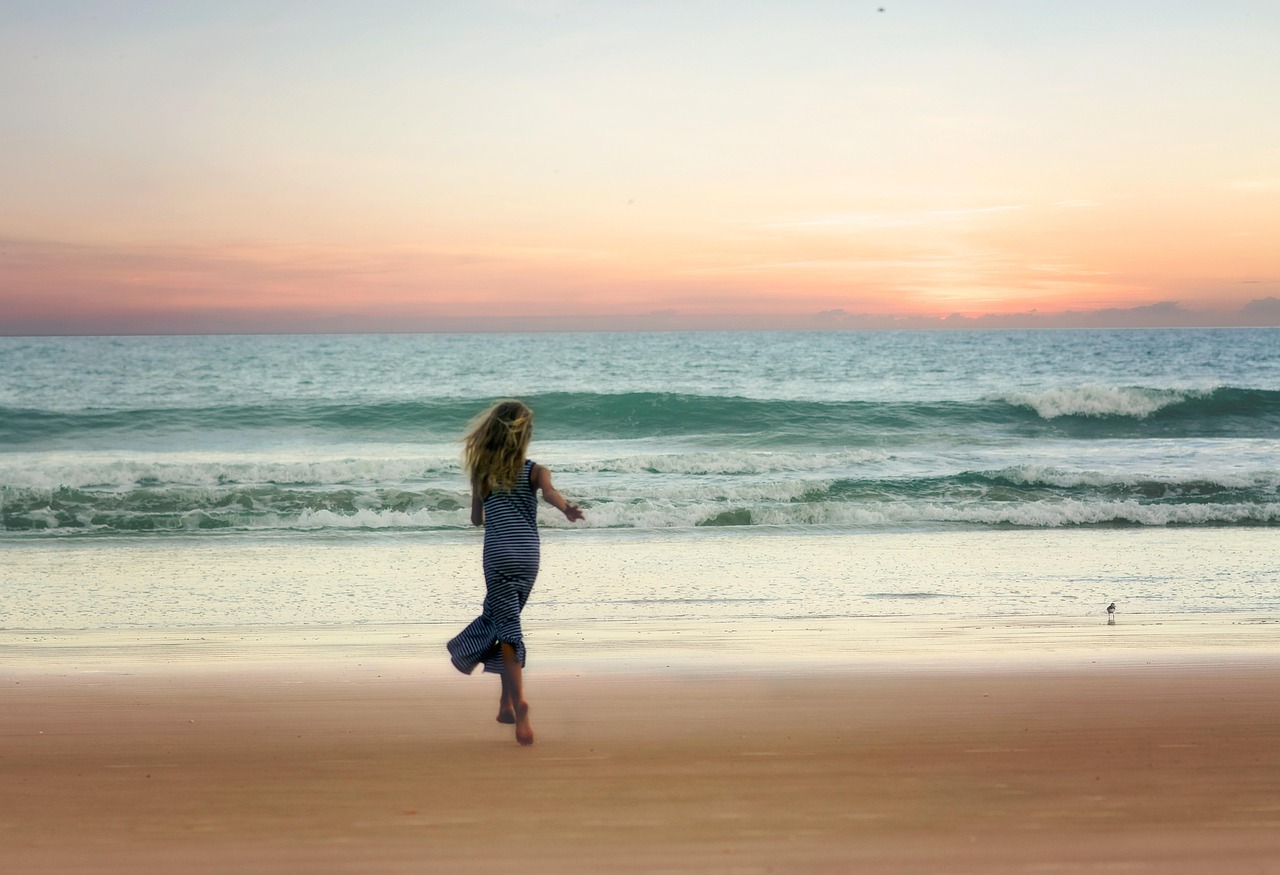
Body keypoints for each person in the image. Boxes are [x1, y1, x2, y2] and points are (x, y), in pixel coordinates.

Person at [447, 399, 584, 745]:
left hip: (497, 556)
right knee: (506, 622)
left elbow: (477, 519)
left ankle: (520, 704)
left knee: (506, 629)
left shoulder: (483, 471)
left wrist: (488, 505)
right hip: (528, 557)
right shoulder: (536, 471)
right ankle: (505, 703)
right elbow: (551, 494)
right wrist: (567, 508)